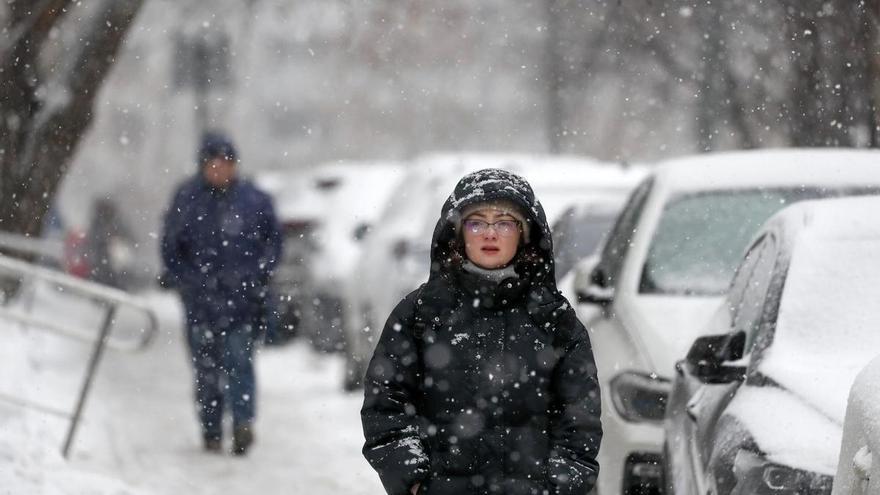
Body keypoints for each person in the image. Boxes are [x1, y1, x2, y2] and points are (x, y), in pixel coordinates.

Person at [361, 169, 602, 495]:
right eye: (477, 223)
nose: (490, 234)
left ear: (524, 234)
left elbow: (579, 423)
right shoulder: (422, 313)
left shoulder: (554, 321)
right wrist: (412, 477)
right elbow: (386, 405)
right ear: (459, 233)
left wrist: (559, 486)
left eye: (504, 223)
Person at [161, 130, 282, 455]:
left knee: (240, 362)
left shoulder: (254, 200)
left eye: (226, 163)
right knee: (206, 371)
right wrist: (187, 281)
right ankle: (211, 429)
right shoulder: (187, 199)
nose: (220, 170)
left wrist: (258, 276)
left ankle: (243, 424)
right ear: (203, 166)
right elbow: (171, 248)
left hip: (242, 302)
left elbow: (273, 243)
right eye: (214, 164)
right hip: (201, 304)